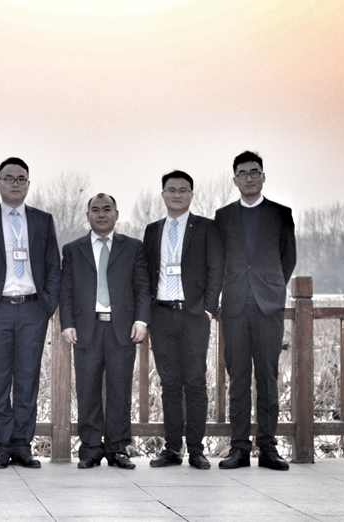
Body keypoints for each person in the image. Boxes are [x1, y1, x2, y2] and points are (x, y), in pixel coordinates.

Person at [0, 157, 61, 469]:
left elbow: (53, 265)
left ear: (28, 184)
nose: (15, 184)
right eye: (9, 178)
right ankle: (2, 446)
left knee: (27, 380)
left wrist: (48, 304)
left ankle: (22, 444)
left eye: (21, 179)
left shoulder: (43, 220)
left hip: (33, 310)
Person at [214, 151, 296, 471]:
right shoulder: (223, 217)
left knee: (267, 377)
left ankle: (268, 447)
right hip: (234, 307)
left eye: (254, 172)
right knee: (238, 379)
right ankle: (238, 448)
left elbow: (288, 258)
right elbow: (217, 260)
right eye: (243, 173)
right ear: (235, 180)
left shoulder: (281, 214)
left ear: (263, 176)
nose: (249, 178)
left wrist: (270, 287)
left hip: (268, 308)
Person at [60, 193, 150, 469]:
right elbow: (66, 290)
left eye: (107, 209)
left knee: (120, 390)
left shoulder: (132, 247)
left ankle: (118, 448)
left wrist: (141, 320)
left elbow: (142, 288)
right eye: (95, 210)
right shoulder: (73, 250)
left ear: (116, 214)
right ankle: (90, 448)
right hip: (86, 329)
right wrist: (67, 323)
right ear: (87, 215)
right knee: (87, 390)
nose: (101, 214)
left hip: (121, 329)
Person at [143, 171, 223, 470]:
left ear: (191, 194)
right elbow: (146, 272)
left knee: (195, 382)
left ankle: (196, 450)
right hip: (161, 315)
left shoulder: (206, 227)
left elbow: (216, 268)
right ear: (163, 194)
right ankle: (172, 449)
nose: (177, 195)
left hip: (193, 316)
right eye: (171, 190)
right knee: (169, 384)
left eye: (183, 190)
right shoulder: (153, 230)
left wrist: (207, 309)